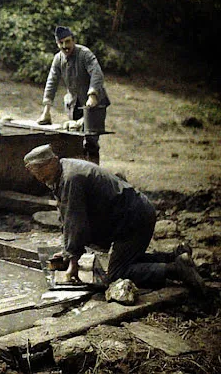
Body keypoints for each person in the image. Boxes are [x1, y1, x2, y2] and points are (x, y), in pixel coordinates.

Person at [23, 144, 206, 293]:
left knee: (117, 274)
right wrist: (67, 252)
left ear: (52, 162)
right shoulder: (62, 172)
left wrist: (73, 263)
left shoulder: (71, 178)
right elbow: (67, 217)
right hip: (130, 213)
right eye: (33, 172)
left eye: (40, 170)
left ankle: (175, 269)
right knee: (126, 259)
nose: (37, 176)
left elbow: (75, 223)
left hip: (133, 218)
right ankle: (174, 256)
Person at [36, 26, 110, 164]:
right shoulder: (58, 59)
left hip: (93, 104)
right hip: (74, 104)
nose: (65, 46)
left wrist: (93, 94)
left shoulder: (85, 54)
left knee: (91, 141)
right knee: (73, 139)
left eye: (68, 42)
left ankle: (93, 173)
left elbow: (97, 73)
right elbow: (52, 81)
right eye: (61, 43)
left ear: (73, 41)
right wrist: (46, 109)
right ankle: (78, 173)